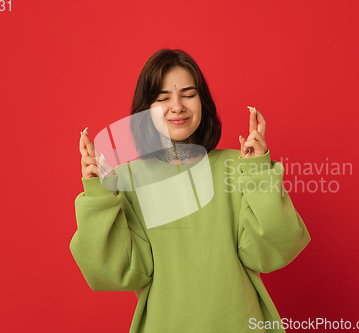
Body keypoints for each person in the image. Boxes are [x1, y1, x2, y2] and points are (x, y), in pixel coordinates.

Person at [70, 48, 311, 333]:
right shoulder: (126, 179)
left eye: (188, 94)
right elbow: (117, 273)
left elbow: (273, 250)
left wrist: (258, 172)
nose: (177, 106)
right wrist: (99, 193)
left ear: (202, 101)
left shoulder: (238, 165)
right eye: (163, 98)